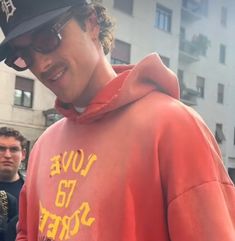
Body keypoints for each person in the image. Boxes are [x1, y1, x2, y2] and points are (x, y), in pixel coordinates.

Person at [0, 0, 234, 240]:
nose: (41, 65)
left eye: (46, 38)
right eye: (24, 55)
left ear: (92, 23)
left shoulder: (175, 127)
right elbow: (27, 232)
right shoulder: (43, 145)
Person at [0, 127, 26, 205]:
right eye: (1, 149)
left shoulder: (32, 192)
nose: (7, 155)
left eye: (14, 149)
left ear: (23, 154)